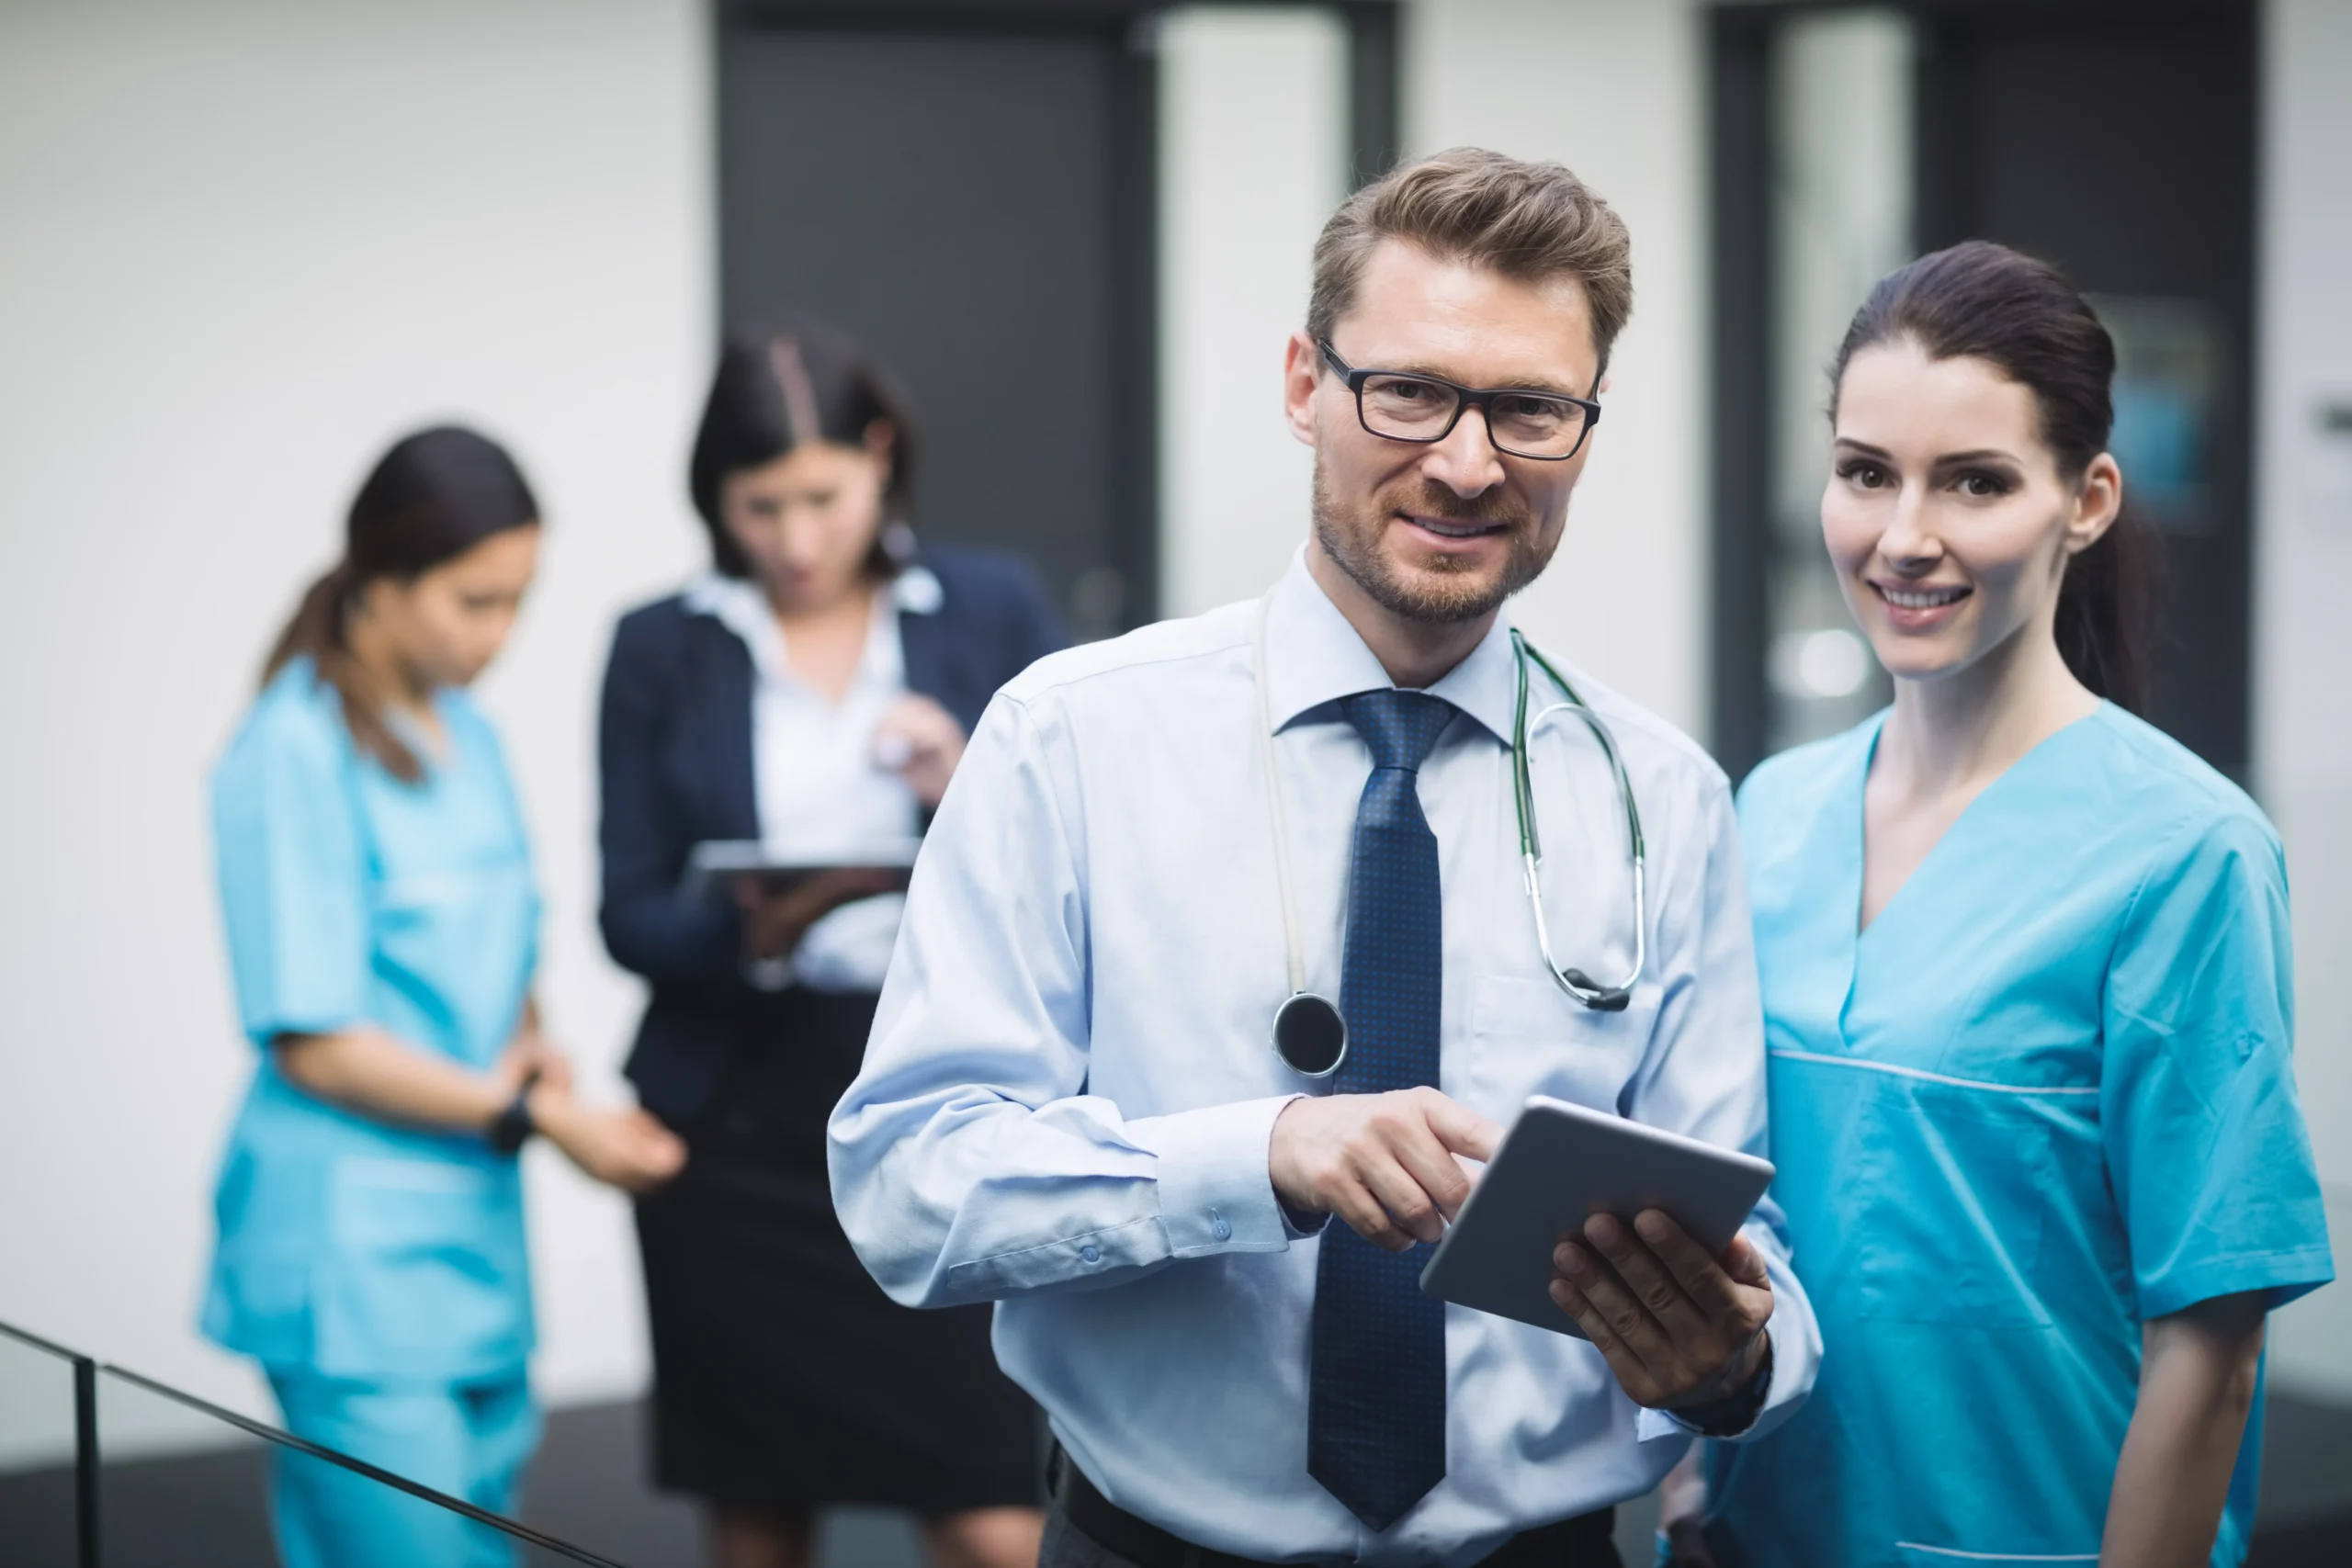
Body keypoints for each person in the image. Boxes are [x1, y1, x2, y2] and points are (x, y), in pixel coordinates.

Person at [830, 148, 1821, 1568]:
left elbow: (1749, 1252)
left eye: (1531, 408)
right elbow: (910, 1184)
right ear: (1307, 383)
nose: (1470, 462)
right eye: (1409, 391)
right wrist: (1265, 1153)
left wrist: (1728, 1360)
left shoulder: (1663, 794)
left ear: (1585, 431)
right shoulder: (1072, 738)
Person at [1686, 243, 2335, 1566]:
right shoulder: (1769, 810)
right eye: (1867, 471)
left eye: (1974, 481)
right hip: (1753, 1536)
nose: (1903, 536)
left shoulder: (2184, 852)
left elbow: (2209, 1347)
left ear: (2086, 499)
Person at [598, 320, 1067, 1568]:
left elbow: (1084, 860)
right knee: (758, 1519)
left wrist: (960, 781)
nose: (796, 541)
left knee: (990, 1515)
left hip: (942, 1096)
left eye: (822, 498)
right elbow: (626, 909)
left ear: (880, 457)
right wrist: (756, 930)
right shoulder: (660, 643)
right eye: (759, 506)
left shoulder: (992, 602)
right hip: (737, 1120)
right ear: (715, 499)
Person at [204, 425, 687, 1568]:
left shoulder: (467, 733)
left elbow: (496, 958)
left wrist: (541, 1056)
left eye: (519, 603)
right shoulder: (292, 753)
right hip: (351, 1260)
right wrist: (532, 1116)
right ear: (381, 577)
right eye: (475, 603)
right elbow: (315, 1045)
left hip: (470, 1243)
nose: (500, 638)